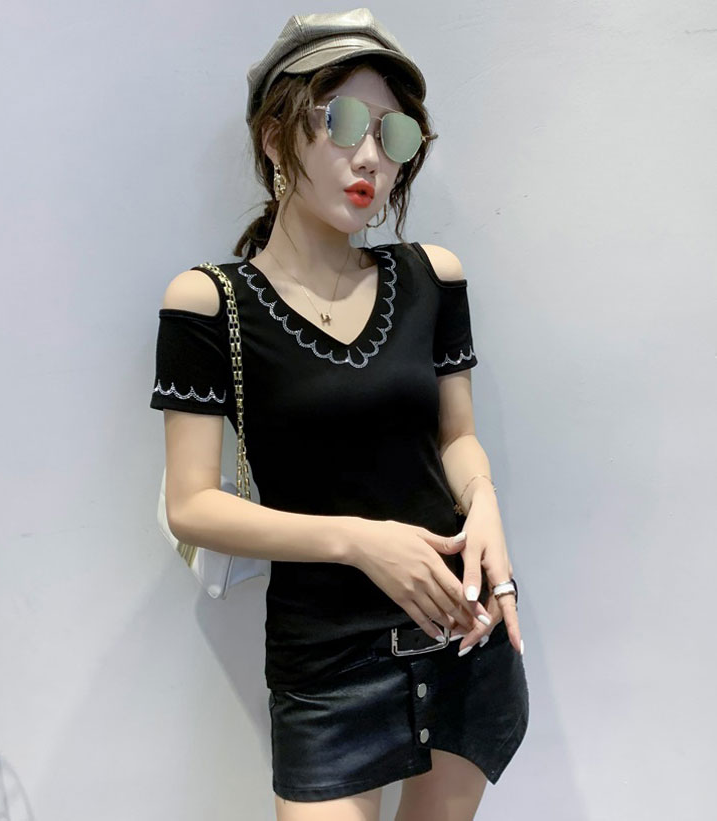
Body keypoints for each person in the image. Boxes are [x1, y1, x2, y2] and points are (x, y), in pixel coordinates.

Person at [150, 8, 528, 820]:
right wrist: (361, 540)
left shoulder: (433, 277)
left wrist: (487, 504)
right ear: (273, 135)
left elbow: (457, 437)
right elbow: (191, 504)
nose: (370, 157)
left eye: (394, 135)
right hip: (326, 669)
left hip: (462, 637)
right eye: (343, 121)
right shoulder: (209, 303)